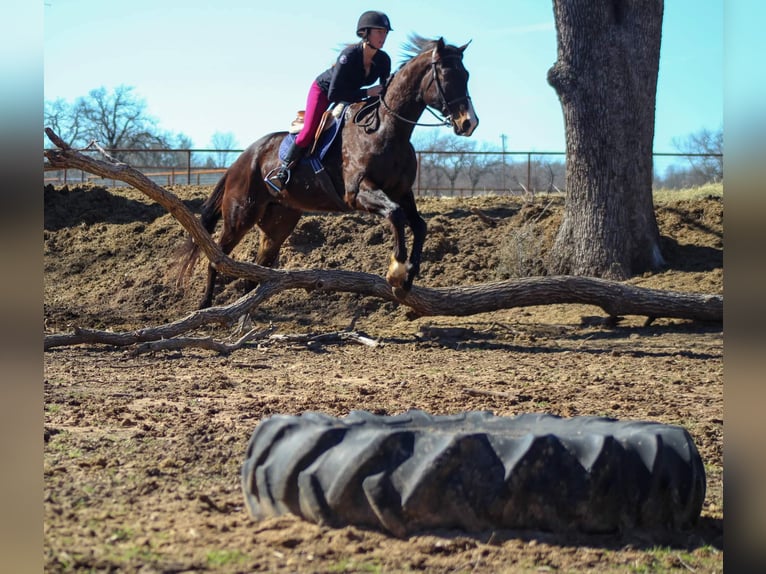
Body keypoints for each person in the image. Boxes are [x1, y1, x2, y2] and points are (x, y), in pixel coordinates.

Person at [265, 10, 393, 193]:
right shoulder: (348, 56)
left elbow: (383, 92)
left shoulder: (383, 60)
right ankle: (283, 170)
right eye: (379, 31)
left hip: (352, 95)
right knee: (309, 130)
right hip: (325, 91)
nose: (384, 36)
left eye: (386, 33)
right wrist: (366, 92)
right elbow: (335, 94)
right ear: (366, 33)